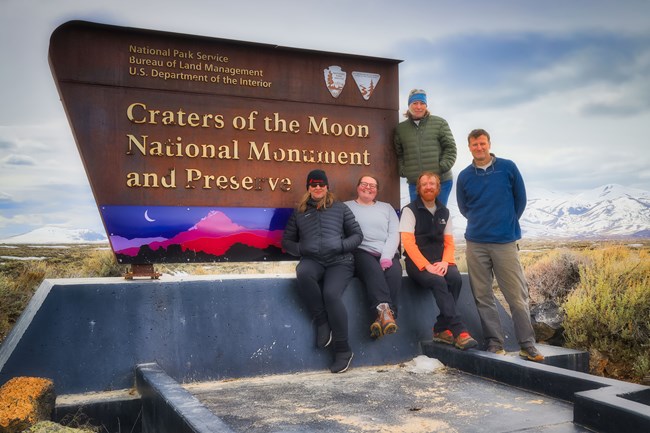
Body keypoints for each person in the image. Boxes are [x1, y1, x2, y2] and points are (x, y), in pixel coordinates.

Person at [456, 129, 544, 362]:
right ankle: (495, 343)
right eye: (475, 145)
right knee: (482, 296)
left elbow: (520, 200)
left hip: (504, 242)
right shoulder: (464, 176)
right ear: (469, 147)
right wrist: (482, 223)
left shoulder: (508, 167)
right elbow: (464, 208)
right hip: (476, 243)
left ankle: (527, 344)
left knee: (516, 296)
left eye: (482, 143)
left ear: (489, 144)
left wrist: (506, 224)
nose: (479, 148)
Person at [282, 169, 363, 373]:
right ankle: (322, 321)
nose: (317, 188)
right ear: (308, 188)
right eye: (313, 185)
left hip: (340, 261)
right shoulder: (299, 211)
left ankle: (343, 351)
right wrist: (302, 249)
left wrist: (341, 246)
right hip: (313, 260)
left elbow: (357, 234)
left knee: (331, 295)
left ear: (327, 187)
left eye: (321, 184)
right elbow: (287, 242)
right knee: (303, 273)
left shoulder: (340, 208)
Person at [399, 171, 478, 350]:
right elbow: (408, 244)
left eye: (432, 184)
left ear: (438, 188)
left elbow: (449, 243)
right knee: (438, 281)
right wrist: (426, 266)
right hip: (417, 264)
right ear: (419, 188)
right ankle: (459, 331)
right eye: (425, 184)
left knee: (455, 279)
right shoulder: (410, 211)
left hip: (440, 260)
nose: (428, 187)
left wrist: (445, 262)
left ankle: (441, 329)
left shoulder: (445, 211)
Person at [344, 175, 402, 339]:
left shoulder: (387, 208)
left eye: (372, 186)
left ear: (377, 191)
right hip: (361, 251)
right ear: (357, 187)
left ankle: (380, 319)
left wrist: (386, 256)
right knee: (373, 271)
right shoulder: (346, 207)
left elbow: (393, 234)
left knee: (395, 274)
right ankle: (387, 314)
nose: (368, 188)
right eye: (364, 184)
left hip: (387, 253)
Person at [393, 89, 457, 205]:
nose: (418, 107)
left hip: (441, 181)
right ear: (409, 105)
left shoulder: (440, 123)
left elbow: (450, 148)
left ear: (426, 105)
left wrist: (442, 167)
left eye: (422, 103)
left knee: (439, 217)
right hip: (415, 183)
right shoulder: (401, 129)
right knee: (419, 219)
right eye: (415, 103)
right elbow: (399, 154)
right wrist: (404, 171)